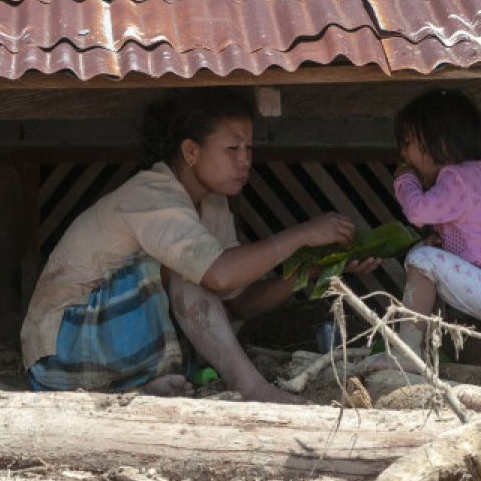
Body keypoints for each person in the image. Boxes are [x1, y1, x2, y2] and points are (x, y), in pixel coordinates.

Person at [20, 89, 378, 404]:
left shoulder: (213, 204)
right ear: (191, 152)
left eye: (249, 148)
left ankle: (138, 389)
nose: (245, 160)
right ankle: (253, 389)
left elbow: (239, 302)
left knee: (204, 279)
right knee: (194, 272)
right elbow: (218, 276)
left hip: (108, 349)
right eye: (232, 148)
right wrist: (301, 235)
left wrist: (311, 268)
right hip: (61, 355)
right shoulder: (153, 193)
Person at [362, 89, 481, 370]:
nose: (402, 152)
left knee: (421, 260)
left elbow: (418, 211)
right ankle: (425, 344)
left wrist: (404, 179)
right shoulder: (470, 174)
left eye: (407, 143)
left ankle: (406, 353)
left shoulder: (458, 177)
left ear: (441, 146)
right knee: (425, 252)